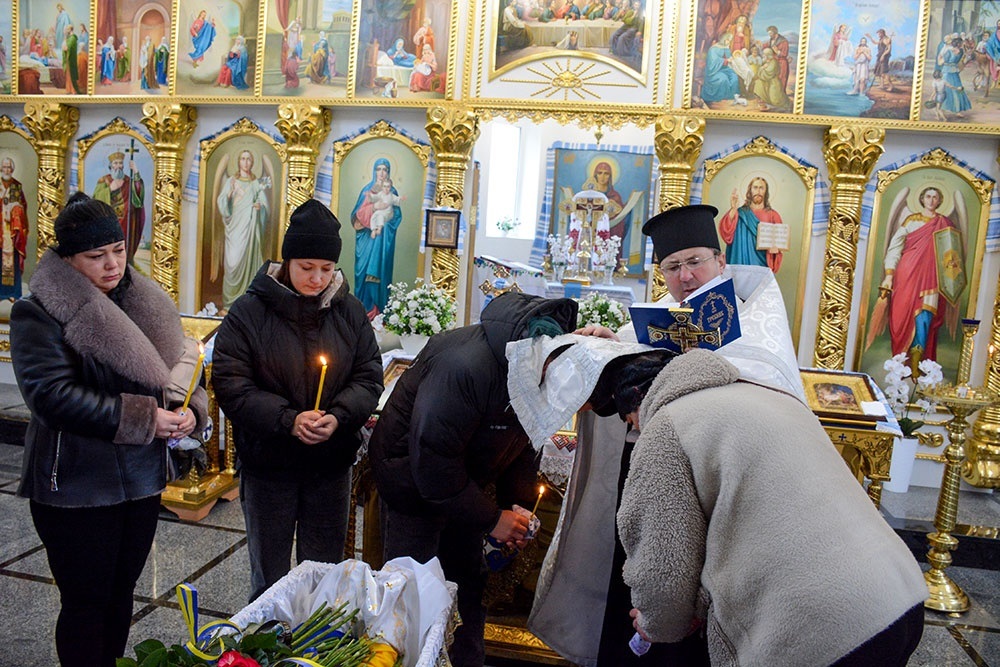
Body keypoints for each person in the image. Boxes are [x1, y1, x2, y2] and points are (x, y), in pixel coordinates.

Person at [530, 204, 805, 667]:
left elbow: (763, 377)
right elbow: (641, 353)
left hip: (716, 478)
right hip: (648, 470)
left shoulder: (756, 318)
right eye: (673, 267)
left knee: (696, 592)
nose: (687, 276)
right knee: (638, 575)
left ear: (719, 261)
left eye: (695, 261)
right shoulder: (667, 313)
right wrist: (609, 341)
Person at [613, 347, 926, 666]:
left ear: (637, 401)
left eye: (632, 424)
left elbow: (663, 562)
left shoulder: (666, 425)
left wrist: (655, 622)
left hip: (820, 628)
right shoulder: (773, 394)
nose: (637, 431)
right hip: (900, 595)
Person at [10, 192, 207, 667]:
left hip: (139, 482)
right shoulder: (37, 313)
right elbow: (51, 396)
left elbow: (177, 364)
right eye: (96, 257)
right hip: (76, 485)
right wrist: (144, 418)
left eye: (118, 250)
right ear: (68, 259)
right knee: (85, 603)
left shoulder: (144, 303)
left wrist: (187, 410)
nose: (112, 264)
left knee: (121, 596)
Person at [368, 291, 579, 667]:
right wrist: (491, 518)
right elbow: (432, 460)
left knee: (467, 581)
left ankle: (466, 659)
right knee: (414, 591)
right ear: (534, 351)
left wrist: (513, 504)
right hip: (411, 485)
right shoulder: (466, 365)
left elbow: (521, 441)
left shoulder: (531, 369)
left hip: (460, 485)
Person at [212, 199, 382, 603]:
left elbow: (368, 375)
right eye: (307, 268)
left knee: (322, 573)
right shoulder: (249, 312)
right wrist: (288, 419)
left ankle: (313, 651)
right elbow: (232, 383)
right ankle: (268, 648)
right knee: (270, 574)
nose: (318, 278)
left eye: (327, 269)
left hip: (329, 465)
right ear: (287, 261)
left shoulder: (349, 310)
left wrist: (338, 417)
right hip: (269, 463)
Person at [879, 186, 961, 365]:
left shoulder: (945, 224)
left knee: (924, 317)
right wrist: (889, 275)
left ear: (939, 201)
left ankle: (916, 363)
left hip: (931, 278)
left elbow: (952, 255)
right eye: (928, 196)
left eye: (935, 197)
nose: (931, 200)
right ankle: (899, 363)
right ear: (922, 199)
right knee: (900, 317)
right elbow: (895, 247)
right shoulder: (911, 220)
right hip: (906, 274)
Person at [215, 149, 270, 310]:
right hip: (234, 229)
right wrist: (231, 194)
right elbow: (223, 205)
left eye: (249, 159)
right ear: (238, 162)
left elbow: (264, 205)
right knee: (232, 264)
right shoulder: (231, 181)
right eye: (243, 159)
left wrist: (260, 208)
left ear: (252, 163)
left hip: (250, 232)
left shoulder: (256, 183)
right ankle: (228, 305)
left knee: (247, 264)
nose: (246, 162)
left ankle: (247, 306)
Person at [350, 157, 402, 314]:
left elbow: (397, 217)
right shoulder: (367, 190)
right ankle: (362, 312)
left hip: (383, 241)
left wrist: (387, 217)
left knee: (380, 275)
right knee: (362, 274)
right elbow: (356, 216)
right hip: (366, 240)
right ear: (374, 171)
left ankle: (379, 313)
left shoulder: (393, 192)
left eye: (385, 169)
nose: (382, 172)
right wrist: (374, 208)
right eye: (378, 169)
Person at [719, 176, 784, 271]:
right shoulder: (740, 213)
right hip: (740, 263)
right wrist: (733, 209)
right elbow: (726, 233)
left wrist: (776, 250)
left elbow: (780, 243)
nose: (758, 191)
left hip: (762, 266)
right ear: (750, 190)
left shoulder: (773, 215)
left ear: (766, 192)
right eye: (755, 187)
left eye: (761, 188)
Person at [92, 150, 145, 265]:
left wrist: (136, 173)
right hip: (109, 220)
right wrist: (110, 189)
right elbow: (96, 200)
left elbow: (138, 198)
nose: (118, 166)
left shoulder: (127, 180)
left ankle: (125, 264)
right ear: (111, 165)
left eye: (120, 163)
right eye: (115, 163)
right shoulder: (104, 180)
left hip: (126, 220)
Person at [0, 156, 28, 300]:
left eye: (9, 167)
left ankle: (11, 293)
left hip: (11, 232)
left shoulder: (16, 186)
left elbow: (22, 206)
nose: (7, 170)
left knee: (12, 263)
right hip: (0, 230)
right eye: (4, 167)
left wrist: (16, 208)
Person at [701, 33, 741, 104]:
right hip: (714, 71)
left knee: (734, 77)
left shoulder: (726, 48)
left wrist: (732, 59)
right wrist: (725, 60)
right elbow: (713, 62)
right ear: (723, 40)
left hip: (725, 69)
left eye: (730, 40)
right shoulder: (713, 49)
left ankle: (731, 97)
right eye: (728, 40)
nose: (729, 42)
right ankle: (722, 98)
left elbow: (729, 58)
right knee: (723, 79)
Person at [938, 35, 972, 117]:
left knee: (945, 89)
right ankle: (957, 111)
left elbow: (940, 63)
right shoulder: (961, 52)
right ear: (959, 44)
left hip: (947, 71)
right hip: (954, 72)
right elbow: (961, 62)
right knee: (957, 88)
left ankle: (942, 108)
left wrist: (939, 57)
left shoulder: (949, 52)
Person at [766, 25, 790, 93]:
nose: (769, 35)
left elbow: (784, 54)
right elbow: (767, 45)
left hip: (781, 63)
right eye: (769, 34)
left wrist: (777, 52)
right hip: (774, 62)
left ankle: (781, 94)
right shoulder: (771, 40)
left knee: (781, 78)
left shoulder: (783, 41)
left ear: (775, 32)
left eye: (770, 33)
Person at [62, 25, 81, 94]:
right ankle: (69, 89)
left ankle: (73, 90)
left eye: (67, 29)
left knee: (71, 75)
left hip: (70, 60)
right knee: (68, 75)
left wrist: (64, 42)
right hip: (68, 59)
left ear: (70, 29)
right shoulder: (70, 38)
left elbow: (66, 48)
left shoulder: (72, 38)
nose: (66, 31)